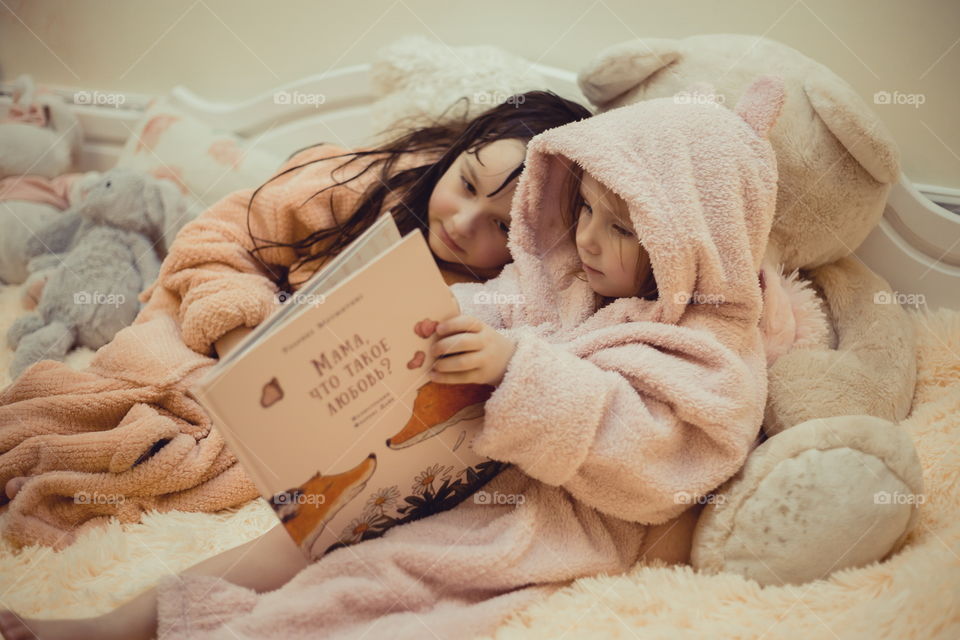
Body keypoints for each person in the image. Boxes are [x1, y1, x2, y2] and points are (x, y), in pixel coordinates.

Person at [0, 76, 784, 640]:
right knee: (301, 529)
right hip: (305, 371)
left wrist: (500, 361)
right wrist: (257, 334)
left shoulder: (697, 342)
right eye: (584, 213)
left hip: (488, 485)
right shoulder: (368, 184)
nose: (584, 239)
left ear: (692, 248)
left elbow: (659, 438)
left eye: (619, 227)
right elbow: (232, 232)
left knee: (354, 571)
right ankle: (118, 621)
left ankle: (159, 624)